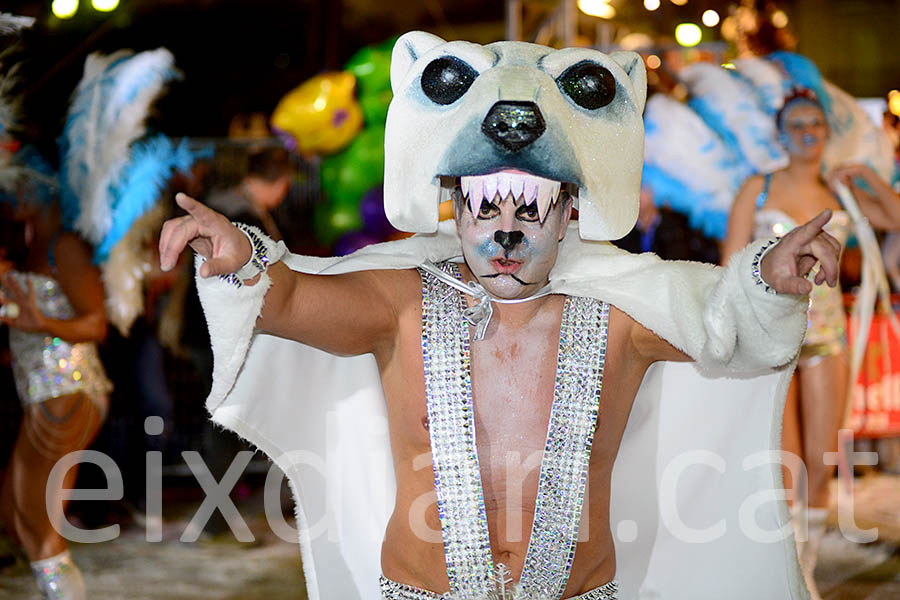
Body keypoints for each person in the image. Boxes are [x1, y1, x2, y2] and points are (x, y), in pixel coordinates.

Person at [159, 33, 841, 600]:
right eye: (486, 209)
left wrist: (769, 283)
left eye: (529, 210)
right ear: (454, 204)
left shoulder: (625, 316)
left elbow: (729, 326)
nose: (506, 235)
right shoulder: (398, 301)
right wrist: (237, 253)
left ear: (571, 209)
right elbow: (284, 299)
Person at [722, 90, 900, 600]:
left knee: (820, 462)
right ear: (780, 133)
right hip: (767, 337)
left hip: (826, 337)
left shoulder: (839, 190)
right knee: (782, 464)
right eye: (796, 123)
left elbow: (894, 218)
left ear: (827, 131)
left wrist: (865, 175)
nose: (806, 131)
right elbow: (730, 262)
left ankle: (806, 568)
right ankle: (778, 568)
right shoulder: (758, 188)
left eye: (815, 123)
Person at [0, 180, 111, 600]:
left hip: (67, 391)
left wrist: (40, 324)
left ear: (48, 187)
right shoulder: (31, 244)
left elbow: (95, 324)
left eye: (21, 181)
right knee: (16, 516)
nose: (11, 191)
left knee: (38, 527)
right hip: (41, 394)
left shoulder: (63, 245)